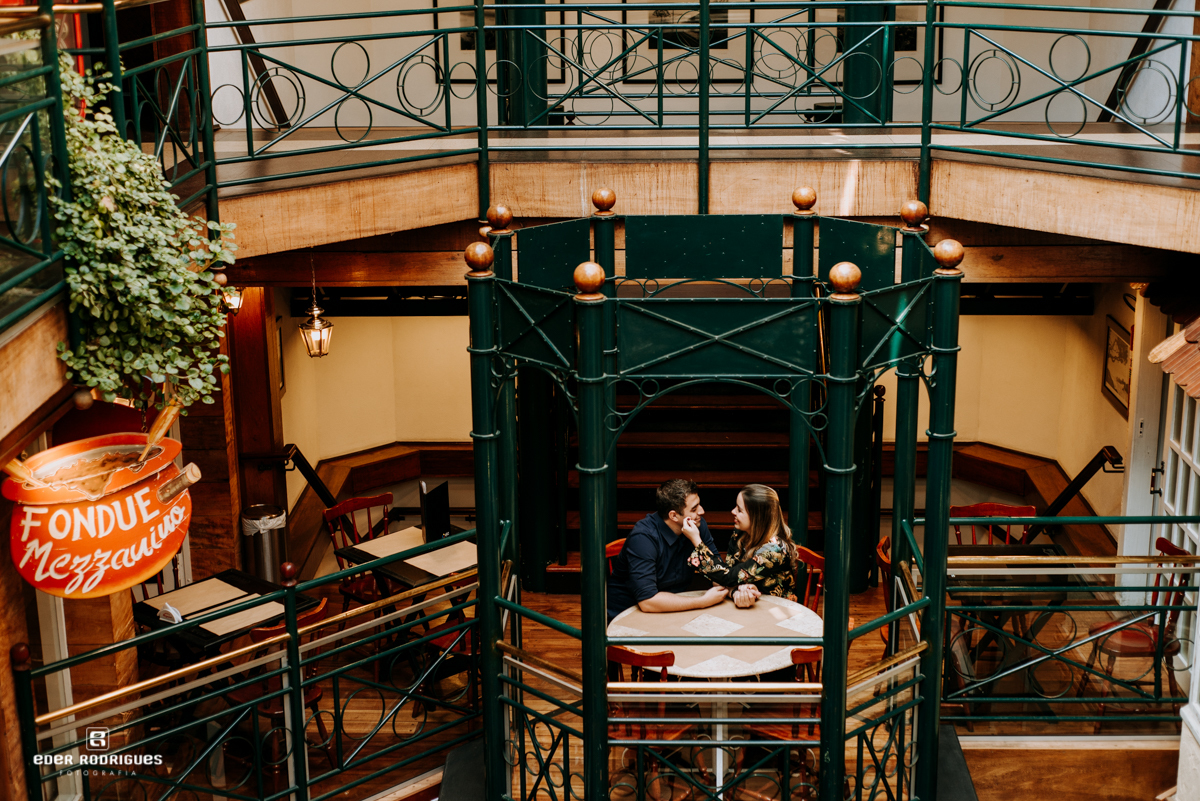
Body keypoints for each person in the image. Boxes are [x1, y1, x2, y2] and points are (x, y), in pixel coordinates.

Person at [607, 478, 729, 621]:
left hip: (673, 609)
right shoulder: (643, 538)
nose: (702, 511)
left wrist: (697, 542)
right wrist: (702, 601)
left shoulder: (697, 526)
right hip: (628, 614)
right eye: (694, 509)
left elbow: (720, 578)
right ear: (673, 516)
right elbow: (648, 602)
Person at [682, 483, 798, 608]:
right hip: (749, 606)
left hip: (777, 610)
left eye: (739, 509)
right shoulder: (741, 533)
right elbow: (726, 572)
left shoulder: (775, 550)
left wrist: (696, 540)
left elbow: (726, 577)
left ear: (756, 517)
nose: (733, 511)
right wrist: (735, 592)